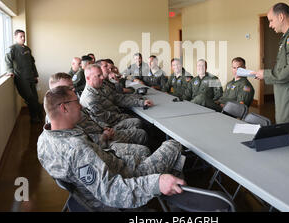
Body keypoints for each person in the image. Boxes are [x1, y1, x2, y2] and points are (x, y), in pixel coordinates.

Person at [37, 86, 186, 210]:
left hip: (110, 170)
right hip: (127, 179)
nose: (80, 106)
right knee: (173, 144)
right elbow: (111, 191)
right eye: (76, 101)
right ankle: (177, 201)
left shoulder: (44, 140)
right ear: (64, 108)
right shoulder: (76, 149)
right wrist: (156, 183)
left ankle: (172, 191)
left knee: (146, 153)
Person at [254, 3, 289, 140]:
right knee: (284, 132)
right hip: (285, 93)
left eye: (271, 20)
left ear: (281, 16)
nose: (270, 25)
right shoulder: (287, 37)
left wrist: (266, 74)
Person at [48, 72, 148, 146]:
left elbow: (91, 117)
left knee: (138, 125)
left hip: (102, 131)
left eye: (72, 87)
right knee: (141, 135)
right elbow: (82, 143)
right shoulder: (59, 116)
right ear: (55, 91)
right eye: (68, 88)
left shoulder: (72, 102)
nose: (73, 90)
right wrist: (104, 135)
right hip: (100, 143)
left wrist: (104, 127)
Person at [80, 64, 153, 129]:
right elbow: (106, 118)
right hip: (110, 126)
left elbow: (118, 98)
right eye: (98, 76)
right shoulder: (89, 98)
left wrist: (141, 102)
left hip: (117, 116)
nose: (102, 77)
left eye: (101, 74)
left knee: (145, 120)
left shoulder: (102, 86)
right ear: (88, 78)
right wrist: (127, 116)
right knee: (139, 122)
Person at [5, 29, 42, 124]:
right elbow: (8, 61)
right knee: (29, 97)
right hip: (21, 79)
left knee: (35, 97)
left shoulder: (27, 49)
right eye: (21, 36)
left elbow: (32, 63)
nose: (23, 38)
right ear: (15, 37)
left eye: (24, 36)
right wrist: (10, 71)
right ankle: (34, 117)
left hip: (31, 77)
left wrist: (35, 75)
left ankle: (39, 115)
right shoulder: (12, 49)